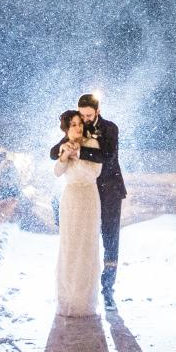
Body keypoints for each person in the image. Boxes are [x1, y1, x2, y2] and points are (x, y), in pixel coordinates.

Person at [49, 92, 127, 309]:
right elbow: (54, 151)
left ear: (98, 111)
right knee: (82, 241)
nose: (84, 119)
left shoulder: (110, 128)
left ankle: (108, 289)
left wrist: (79, 151)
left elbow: (107, 157)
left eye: (89, 115)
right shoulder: (78, 127)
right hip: (85, 191)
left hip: (109, 190)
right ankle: (81, 289)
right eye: (82, 115)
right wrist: (65, 149)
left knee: (110, 239)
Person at [53, 109, 101, 316]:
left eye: (80, 123)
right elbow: (57, 172)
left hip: (88, 196)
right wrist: (65, 155)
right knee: (69, 246)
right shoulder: (63, 146)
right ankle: (66, 299)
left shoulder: (92, 144)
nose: (78, 127)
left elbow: (93, 172)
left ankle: (84, 302)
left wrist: (78, 155)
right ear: (66, 128)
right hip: (70, 197)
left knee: (86, 246)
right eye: (73, 124)